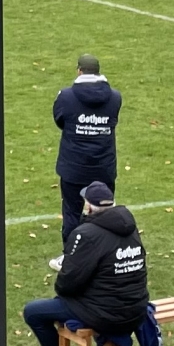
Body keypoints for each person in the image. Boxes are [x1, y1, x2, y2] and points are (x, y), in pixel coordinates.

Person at [22, 181, 149, 346]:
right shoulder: (130, 227)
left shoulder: (87, 234)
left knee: (33, 312)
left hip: (108, 315)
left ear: (88, 206)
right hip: (136, 309)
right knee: (97, 294)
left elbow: (68, 283)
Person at [49, 55, 122, 270]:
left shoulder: (66, 96)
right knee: (105, 212)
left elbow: (60, 120)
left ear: (79, 71)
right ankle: (107, 257)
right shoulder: (115, 97)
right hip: (103, 166)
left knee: (72, 212)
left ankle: (72, 259)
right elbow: (113, 121)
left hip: (74, 167)